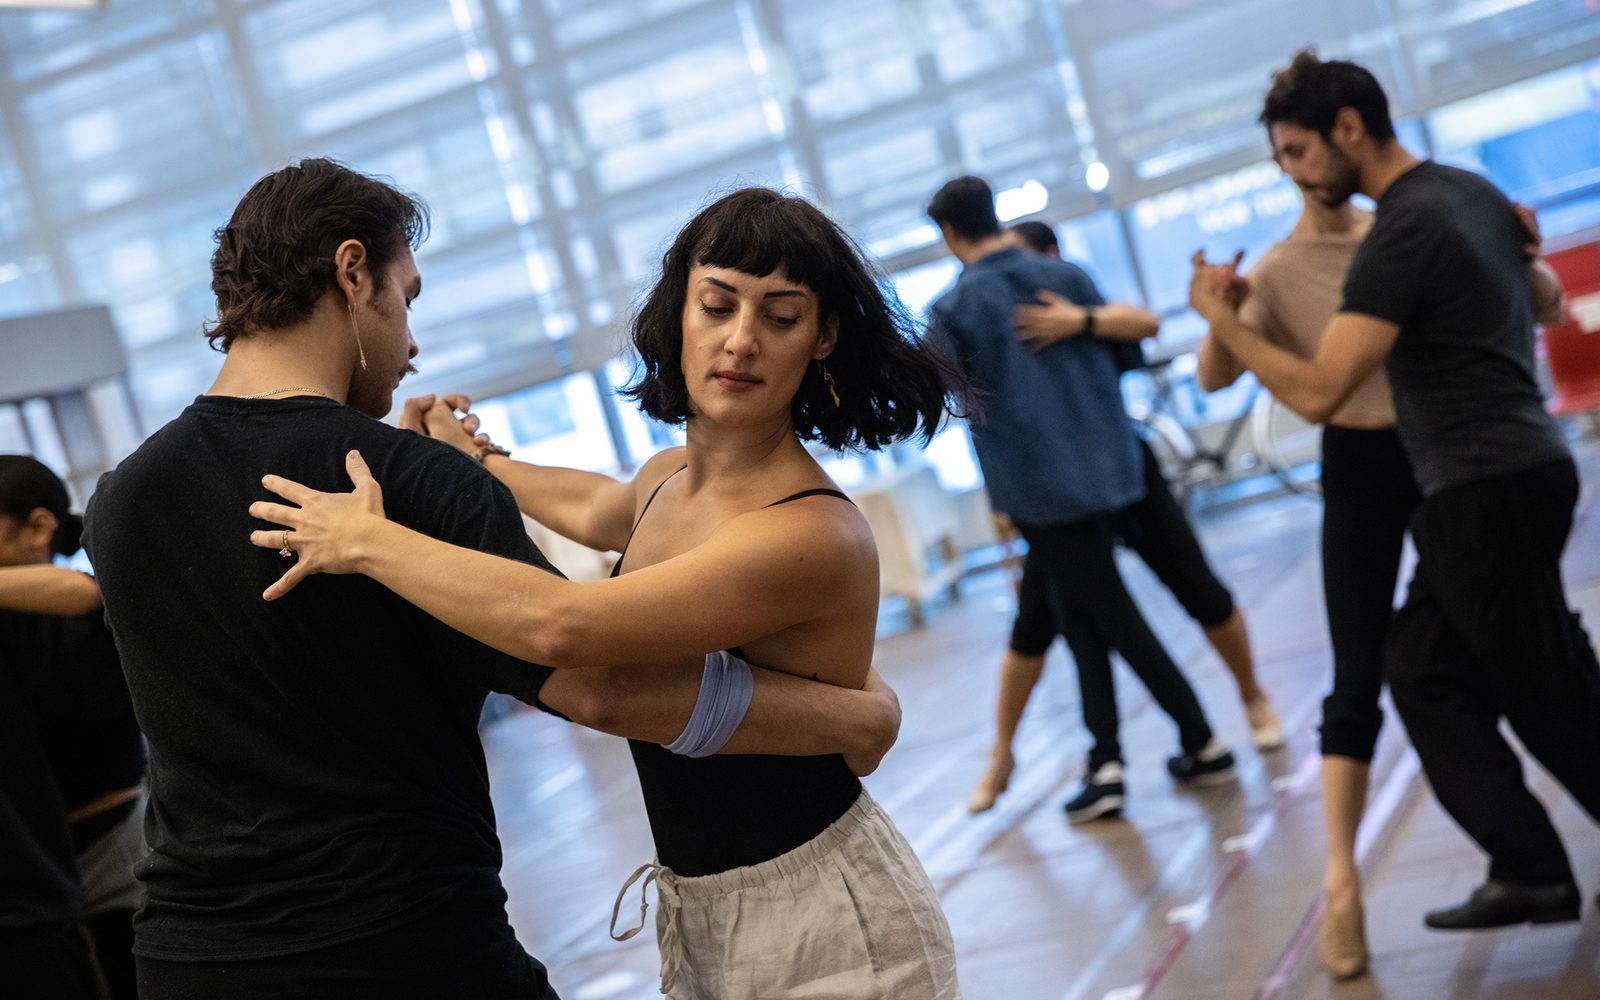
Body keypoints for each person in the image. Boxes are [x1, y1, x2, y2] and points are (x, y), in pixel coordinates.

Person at [84, 162, 901, 1000]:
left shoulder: (119, 501)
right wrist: (859, 713)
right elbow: (595, 665)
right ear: (353, 273)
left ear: (822, 335)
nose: (411, 345)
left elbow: (575, 603)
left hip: (189, 962)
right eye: (406, 298)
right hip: (407, 948)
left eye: (780, 317)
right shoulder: (412, 483)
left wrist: (389, 528)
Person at [1191, 50, 1598, 936]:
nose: (1295, 173)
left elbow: (1315, 393)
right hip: (1522, 465)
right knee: (1463, 665)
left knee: (1514, 680)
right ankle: (1528, 868)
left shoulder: (1401, 232)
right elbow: (1544, 302)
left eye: (1299, 152)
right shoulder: (1469, 191)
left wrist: (1223, 321)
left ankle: (1530, 869)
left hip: (1478, 480)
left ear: (1347, 129)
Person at [926, 176, 1236, 826]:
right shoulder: (1065, 276)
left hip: (1043, 493)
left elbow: (946, 397)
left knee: (1111, 618)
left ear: (951, 235)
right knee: (1083, 619)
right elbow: (1128, 353)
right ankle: (1109, 769)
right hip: (1113, 469)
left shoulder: (955, 311)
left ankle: (1201, 738)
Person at [968, 221, 1281, 816]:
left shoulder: (1070, 294)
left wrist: (1079, 321)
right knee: (1053, 619)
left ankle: (1233, 710)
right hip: (1055, 496)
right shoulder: (999, 310)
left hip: (1119, 472)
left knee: (1183, 593)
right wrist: (1005, 502)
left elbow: (1142, 323)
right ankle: (1034, 757)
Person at [0, 457, 145, 1000]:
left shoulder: (82, 600)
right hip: (42, 859)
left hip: (112, 844)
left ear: (37, 526)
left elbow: (90, 597)